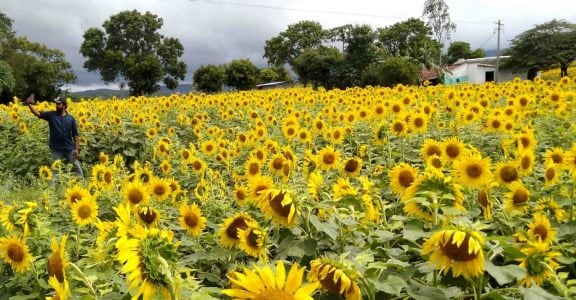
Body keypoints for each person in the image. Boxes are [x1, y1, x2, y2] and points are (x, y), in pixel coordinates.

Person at [26, 94, 84, 181]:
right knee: (54, 170)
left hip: (69, 148)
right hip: (56, 148)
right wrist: (29, 105)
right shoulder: (51, 115)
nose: (56, 105)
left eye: (58, 104)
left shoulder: (71, 118)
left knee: (76, 166)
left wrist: (76, 149)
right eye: (56, 103)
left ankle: (82, 183)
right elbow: (37, 113)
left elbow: (75, 135)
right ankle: (51, 190)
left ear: (64, 105)